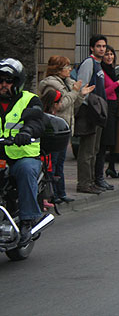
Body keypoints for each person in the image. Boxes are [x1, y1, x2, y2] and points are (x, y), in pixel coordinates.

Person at [0, 58, 46, 245]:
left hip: (23, 155)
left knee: (26, 170)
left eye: (8, 80)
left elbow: (36, 120)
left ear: (17, 82)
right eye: (0, 80)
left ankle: (27, 220)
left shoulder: (29, 99)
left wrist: (27, 132)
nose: (3, 84)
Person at [38, 56, 93, 203]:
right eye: (66, 67)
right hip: (54, 129)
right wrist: (75, 92)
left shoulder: (68, 83)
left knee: (60, 162)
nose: (69, 70)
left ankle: (60, 192)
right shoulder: (50, 85)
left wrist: (81, 94)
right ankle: (52, 194)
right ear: (58, 69)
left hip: (65, 127)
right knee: (54, 162)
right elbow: (60, 105)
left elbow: (73, 105)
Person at [75, 34, 108, 194]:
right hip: (89, 112)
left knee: (94, 150)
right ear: (92, 48)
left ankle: (92, 181)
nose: (102, 49)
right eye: (99, 46)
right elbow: (83, 89)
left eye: (104, 46)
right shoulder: (89, 63)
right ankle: (84, 183)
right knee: (87, 151)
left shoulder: (99, 65)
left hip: (98, 112)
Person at [94, 45, 119, 190]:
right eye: (106, 54)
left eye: (111, 54)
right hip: (104, 107)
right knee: (102, 145)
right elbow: (103, 91)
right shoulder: (100, 71)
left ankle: (104, 173)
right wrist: (116, 84)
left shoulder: (111, 71)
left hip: (113, 107)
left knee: (109, 143)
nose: (109, 57)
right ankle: (98, 177)